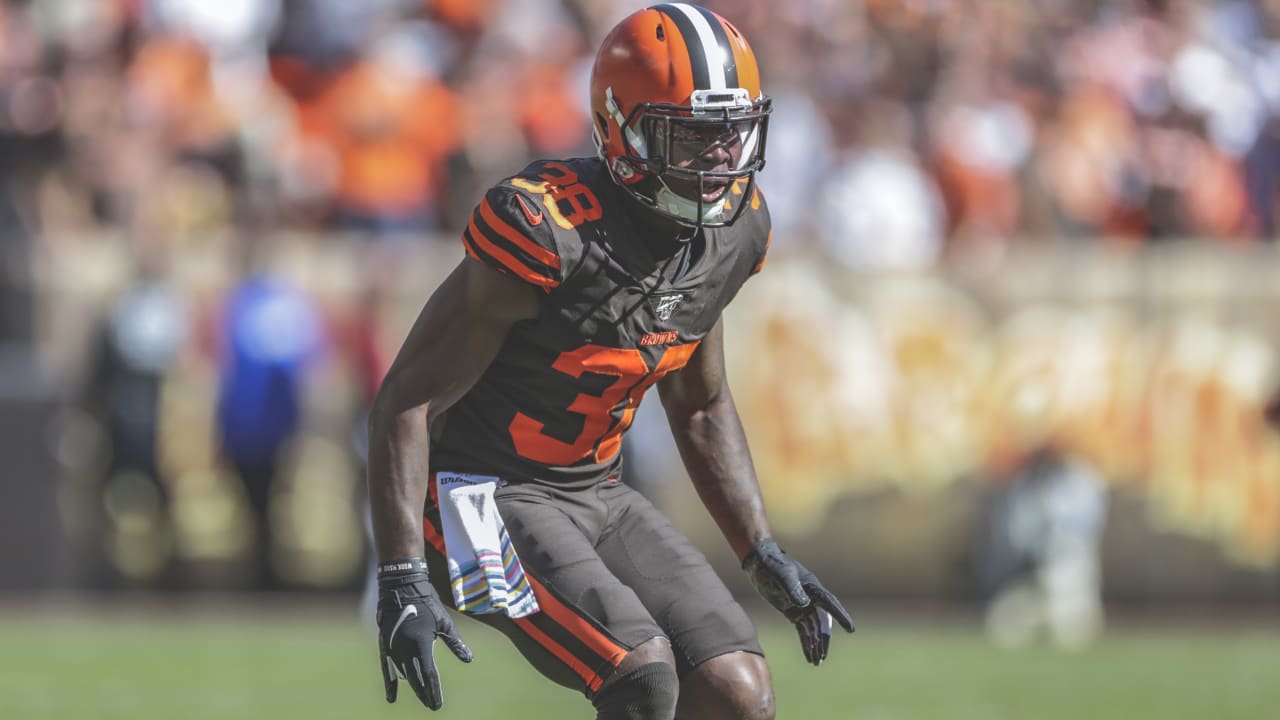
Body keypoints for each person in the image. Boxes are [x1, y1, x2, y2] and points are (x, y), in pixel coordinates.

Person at [366, 5, 853, 719]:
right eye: (694, 134)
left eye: (730, 131)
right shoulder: (546, 230)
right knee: (640, 672)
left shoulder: (734, 231)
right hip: (473, 498)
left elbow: (703, 404)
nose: (721, 156)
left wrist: (760, 550)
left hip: (595, 491)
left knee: (737, 690)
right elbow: (404, 400)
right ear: (622, 129)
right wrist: (403, 575)